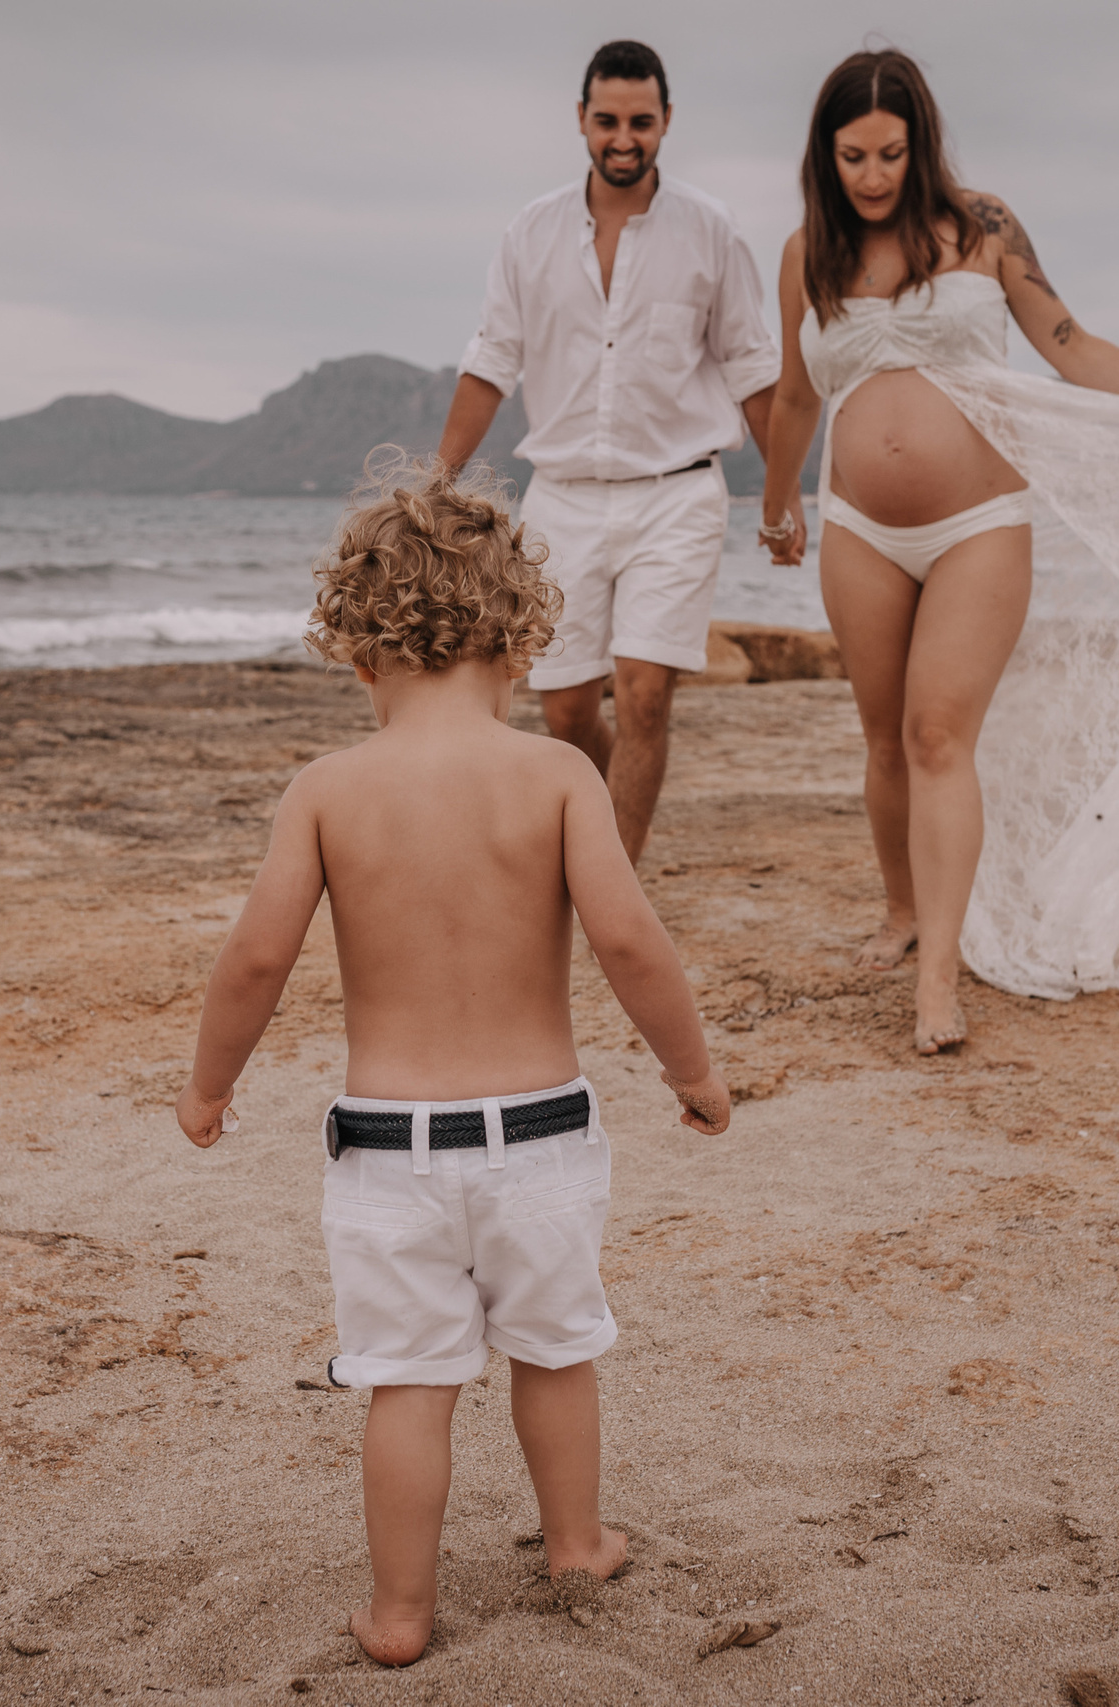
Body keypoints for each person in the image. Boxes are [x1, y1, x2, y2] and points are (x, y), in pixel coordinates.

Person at [172, 464, 732, 1667]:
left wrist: (210, 1085)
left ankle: (399, 1614)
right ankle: (574, 1541)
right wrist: (692, 1071)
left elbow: (255, 958)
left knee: (409, 1384)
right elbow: (630, 939)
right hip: (541, 1139)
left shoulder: (327, 790)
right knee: (554, 1349)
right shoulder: (556, 775)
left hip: (389, 1157)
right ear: (519, 645)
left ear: (358, 650)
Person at [758, 48, 1119, 1051]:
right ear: (823, 156)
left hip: (975, 526)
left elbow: (1070, 344)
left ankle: (938, 979)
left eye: (891, 154)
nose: (871, 176)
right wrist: (778, 506)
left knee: (937, 735)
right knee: (883, 739)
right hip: (859, 528)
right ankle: (902, 910)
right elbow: (792, 395)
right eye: (852, 156)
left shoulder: (981, 229)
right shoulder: (804, 252)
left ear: (922, 146)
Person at [436, 38, 782, 864]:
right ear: (581, 121)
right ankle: (598, 826)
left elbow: (751, 366)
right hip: (564, 496)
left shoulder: (711, 231)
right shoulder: (531, 232)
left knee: (647, 696)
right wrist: (437, 481)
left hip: (679, 493)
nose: (623, 137)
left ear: (666, 122)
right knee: (561, 709)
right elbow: (492, 361)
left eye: (641, 121)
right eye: (607, 121)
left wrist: (785, 492)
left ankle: (612, 877)